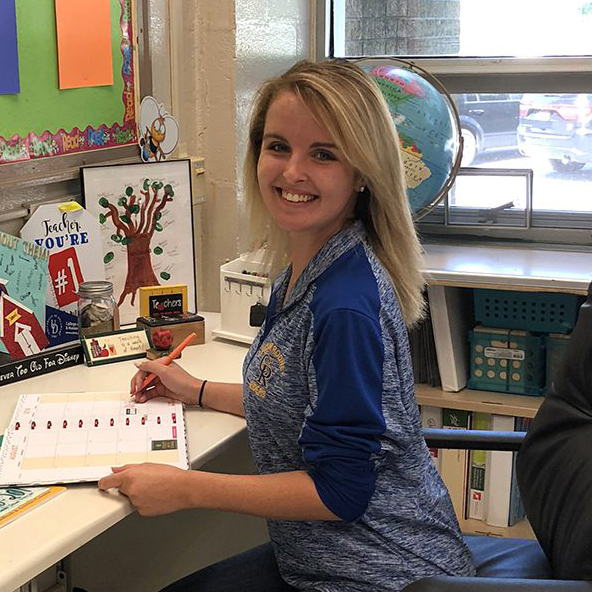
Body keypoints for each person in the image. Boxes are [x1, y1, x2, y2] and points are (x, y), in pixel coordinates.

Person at [98, 59, 475, 591]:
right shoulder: (308, 268)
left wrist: (187, 488)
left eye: (323, 154)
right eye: (278, 147)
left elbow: (340, 492)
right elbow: (294, 396)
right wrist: (197, 390)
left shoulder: (344, 305)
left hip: (381, 573)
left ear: (362, 173)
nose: (292, 171)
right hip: (324, 558)